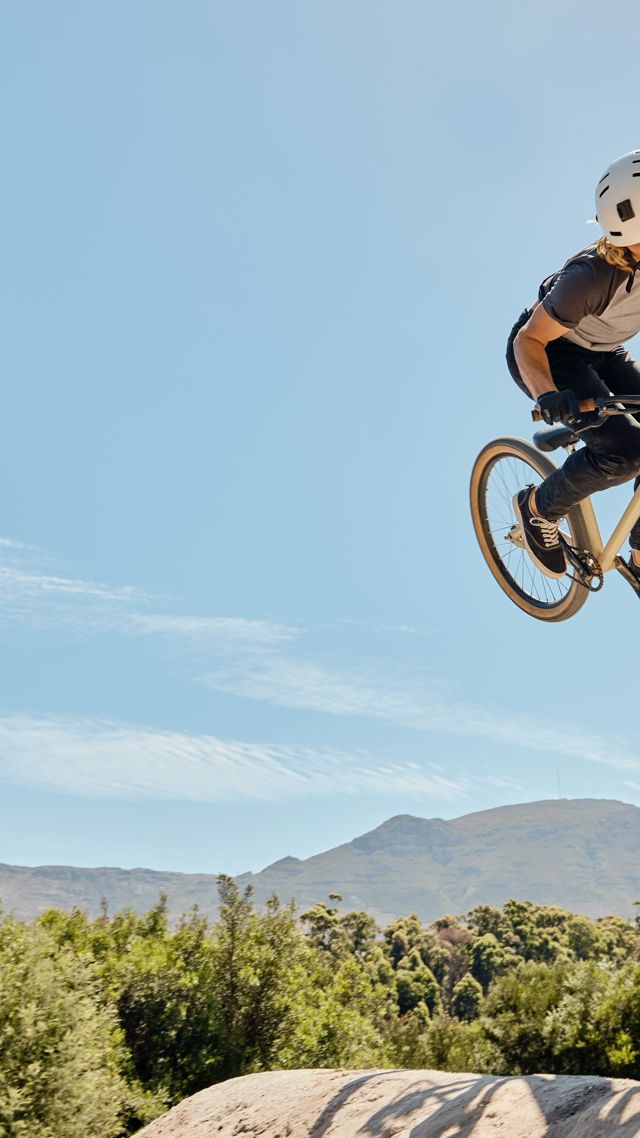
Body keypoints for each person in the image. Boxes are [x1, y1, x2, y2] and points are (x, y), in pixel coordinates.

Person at [507, 150, 640, 579]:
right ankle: (537, 508)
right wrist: (548, 394)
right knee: (625, 453)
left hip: (606, 351)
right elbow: (529, 340)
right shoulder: (592, 277)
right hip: (551, 353)